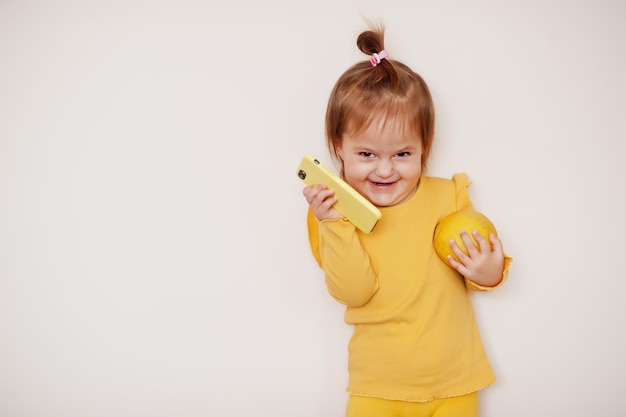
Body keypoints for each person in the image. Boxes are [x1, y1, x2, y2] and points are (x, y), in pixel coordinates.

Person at [301, 24, 513, 417]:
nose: (385, 170)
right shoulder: (331, 212)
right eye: (366, 155)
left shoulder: (449, 196)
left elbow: (478, 269)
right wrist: (333, 222)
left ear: (423, 148)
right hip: (377, 388)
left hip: (455, 382)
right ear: (338, 148)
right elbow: (353, 291)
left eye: (402, 154)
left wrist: (489, 271)